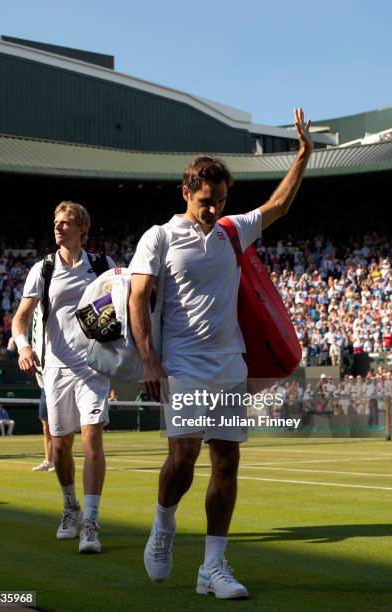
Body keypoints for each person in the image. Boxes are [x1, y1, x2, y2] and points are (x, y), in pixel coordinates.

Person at [129, 108, 313, 598]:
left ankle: (212, 568)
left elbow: (278, 205)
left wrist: (303, 155)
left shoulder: (233, 231)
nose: (214, 209)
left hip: (230, 365)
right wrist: (149, 359)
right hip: (183, 366)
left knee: (226, 461)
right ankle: (163, 527)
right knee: (183, 457)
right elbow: (136, 298)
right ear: (187, 193)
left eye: (222, 201)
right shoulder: (160, 237)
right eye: (207, 201)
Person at [12, 201, 114, 554]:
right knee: (60, 446)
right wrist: (24, 347)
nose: (58, 227)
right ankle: (71, 507)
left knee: (92, 439)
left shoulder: (103, 266)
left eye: (66, 222)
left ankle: (91, 521)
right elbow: (21, 318)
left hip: (93, 368)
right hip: (54, 368)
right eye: (56, 221)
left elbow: (126, 302)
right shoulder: (44, 268)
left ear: (82, 228)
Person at [32, 389, 55, 472]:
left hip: (57, 389)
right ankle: (48, 462)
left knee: (59, 428)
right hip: (44, 392)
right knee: (46, 429)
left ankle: (60, 462)